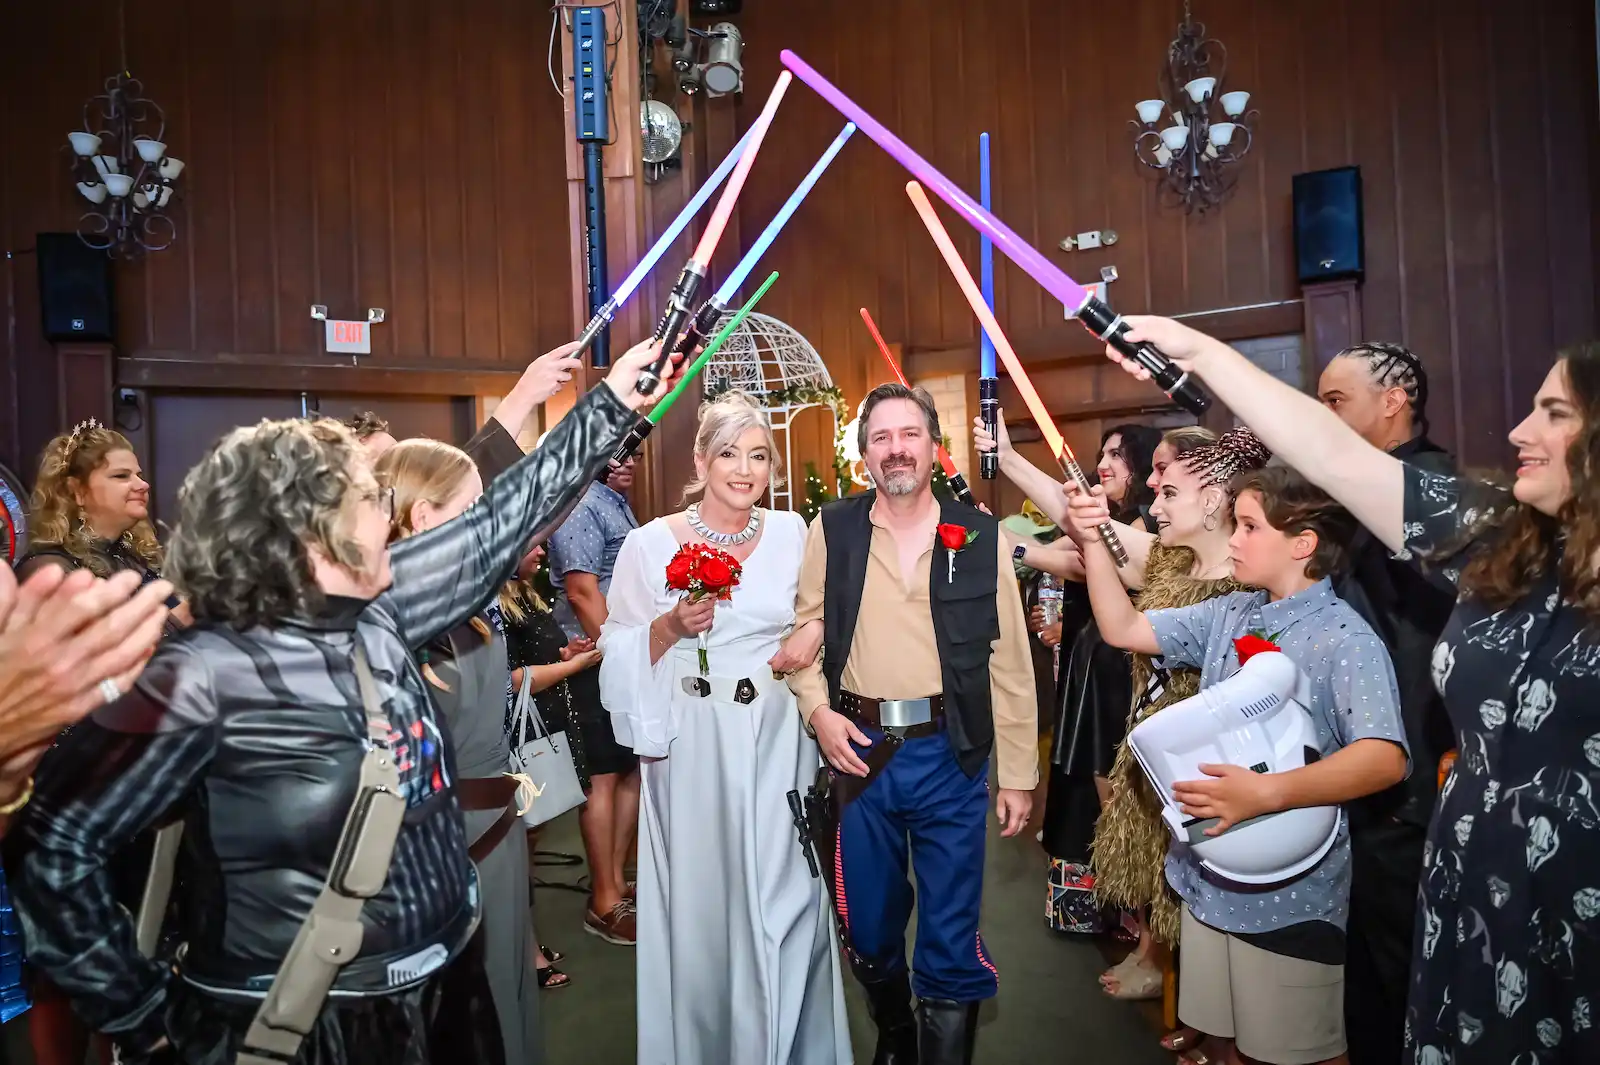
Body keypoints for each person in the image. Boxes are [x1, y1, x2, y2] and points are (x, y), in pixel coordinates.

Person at [11, 339, 669, 1064]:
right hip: (307, 1029)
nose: (387, 509)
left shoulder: (381, 611)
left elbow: (496, 527)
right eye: (370, 495)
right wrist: (149, 1022)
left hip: (445, 999)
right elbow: (52, 848)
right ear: (306, 525)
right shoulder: (201, 673)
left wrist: (611, 404)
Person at [1100, 318, 1600, 1065]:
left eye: (1555, 413)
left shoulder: (1338, 634)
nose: (1521, 428)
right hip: (1474, 881)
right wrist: (1199, 351)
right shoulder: (1507, 539)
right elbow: (1329, 454)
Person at [1070, 462, 1409, 1065]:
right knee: (1225, 1047)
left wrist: (1266, 793)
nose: (1232, 541)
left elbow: (1384, 757)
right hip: (1210, 880)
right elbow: (1124, 628)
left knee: (1294, 1051)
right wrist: (1093, 541)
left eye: (1249, 527)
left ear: (1303, 544)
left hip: (1287, 892)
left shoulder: (1345, 639)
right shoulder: (1232, 612)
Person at [596, 391, 850, 1065]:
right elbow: (616, 646)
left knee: (785, 893)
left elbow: (829, 609)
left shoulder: (796, 532)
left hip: (775, 736)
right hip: (692, 745)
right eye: (731, 453)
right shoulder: (649, 544)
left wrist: (813, 630)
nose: (745, 469)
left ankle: (790, 1046)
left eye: (759, 455)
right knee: (708, 903)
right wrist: (671, 625)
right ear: (701, 460)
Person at [790, 382, 1037, 1064]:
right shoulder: (832, 531)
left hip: (953, 756)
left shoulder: (983, 537)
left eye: (908, 434)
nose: (895, 448)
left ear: (934, 446)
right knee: (867, 927)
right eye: (880, 437)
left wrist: (1017, 774)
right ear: (864, 454)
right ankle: (897, 1029)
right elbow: (804, 630)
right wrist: (817, 711)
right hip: (859, 753)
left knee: (950, 933)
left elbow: (1011, 664)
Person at [376, 436, 542, 1065]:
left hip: (499, 825)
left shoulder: (464, 594)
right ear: (424, 518)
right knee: (468, 1009)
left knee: (508, 981)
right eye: (473, 506)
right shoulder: (393, 617)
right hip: (445, 839)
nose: (487, 521)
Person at [1317, 343, 1457, 1065]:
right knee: (1366, 969)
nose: (1324, 415)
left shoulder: (1430, 490)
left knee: (1404, 970)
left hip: (1407, 775)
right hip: (1365, 770)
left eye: (1336, 399)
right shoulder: (1364, 497)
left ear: (1395, 396)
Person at [546, 454, 643, 944]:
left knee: (630, 771)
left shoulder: (614, 502)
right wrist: (621, 655)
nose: (629, 463)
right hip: (594, 660)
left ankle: (618, 884)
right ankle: (602, 901)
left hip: (618, 658)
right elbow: (582, 592)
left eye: (635, 453)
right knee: (602, 779)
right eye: (618, 454)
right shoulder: (582, 502)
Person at [15, 419, 186, 633]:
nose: (143, 485)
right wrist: (187, 614)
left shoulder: (131, 558)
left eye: (139, 476)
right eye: (121, 476)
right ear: (77, 490)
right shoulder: (50, 570)